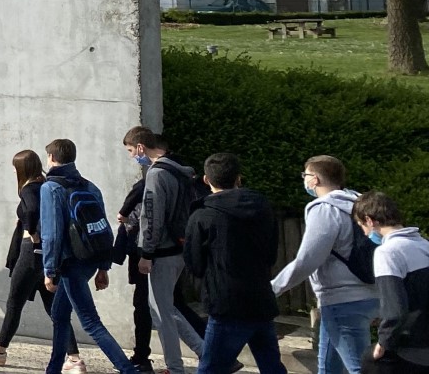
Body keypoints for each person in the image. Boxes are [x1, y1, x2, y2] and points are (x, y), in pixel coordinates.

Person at [0, 150, 82, 370]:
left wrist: (32, 233)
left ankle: (0, 350)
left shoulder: (30, 188)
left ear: (22, 169)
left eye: (15, 166)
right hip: (49, 254)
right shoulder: (48, 186)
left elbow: (31, 210)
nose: (13, 170)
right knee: (54, 309)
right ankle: (74, 359)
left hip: (31, 253)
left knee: (14, 303)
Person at [271, 155, 380, 374]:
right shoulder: (359, 204)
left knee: (359, 369)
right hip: (369, 294)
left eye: (306, 175)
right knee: (328, 368)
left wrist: (272, 288)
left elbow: (308, 259)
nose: (304, 179)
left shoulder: (324, 209)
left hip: (342, 301)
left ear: (316, 180)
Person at [41, 138, 141, 374]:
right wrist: (103, 267)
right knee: (59, 314)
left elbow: (52, 234)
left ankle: (128, 370)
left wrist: (49, 270)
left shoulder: (51, 187)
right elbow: (103, 228)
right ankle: (53, 368)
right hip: (90, 260)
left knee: (91, 323)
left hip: (69, 263)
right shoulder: (89, 185)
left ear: (52, 159)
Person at [184, 153, 286, 374]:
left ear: (206, 180)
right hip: (260, 298)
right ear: (238, 179)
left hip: (226, 302)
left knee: (211, 368)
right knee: (271, 365)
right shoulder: (263, 208)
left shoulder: (203, 215)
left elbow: (194, 264)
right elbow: (271, 254)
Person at [125, 126, 203, 374]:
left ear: (140, 147)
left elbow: (151, 215)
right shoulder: (180, 171)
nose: (132, 157)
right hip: (179, 248)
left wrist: (146, 254)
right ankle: (205, 352)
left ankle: (175, 367)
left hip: (162, 252)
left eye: (130, 151)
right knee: (165, 308)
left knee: (162, 315)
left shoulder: (157, 174)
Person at [353, 192, 429, 374]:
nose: (364, 233)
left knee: (370, 361)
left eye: (361, 226)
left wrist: (383, 342)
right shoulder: (424, 245)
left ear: (370, 221)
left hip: (411, 346)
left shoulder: (387, 252)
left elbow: (394, 310)